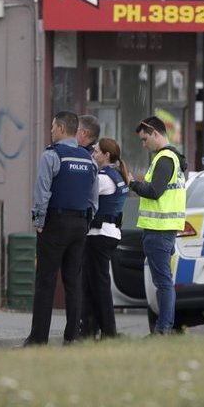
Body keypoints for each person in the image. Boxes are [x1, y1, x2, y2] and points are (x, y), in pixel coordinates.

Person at [25, 111, 98, 346]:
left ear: (62, 128)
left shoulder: (52, 155)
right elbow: (93, 198)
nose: (51, 130)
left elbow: (42, 190)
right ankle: (72, 337)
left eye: (53, 126)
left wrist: (39, 221)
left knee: (46, 281)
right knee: (73, 282)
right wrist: (86, 222)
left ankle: (38, 339)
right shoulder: (89, 160)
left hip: (55, 223)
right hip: (79, 225)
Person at [128, 116, 187, 334]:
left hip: (159, 230)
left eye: (145, 139)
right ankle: (164, 327)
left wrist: (132, 183)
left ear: (155, 133)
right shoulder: (174, 157)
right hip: (165, 229)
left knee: (163, 283)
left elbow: (154, 191)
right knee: (164, 282)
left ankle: (163, 329)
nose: (144, 145)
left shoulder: (164, 159)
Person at [81, 137, 129, 339]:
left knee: (98, 286)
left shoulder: (103, 178)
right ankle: (93, 329)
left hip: (98, 235)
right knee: (94, 284)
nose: (93, 154)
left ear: (106, 155)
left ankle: (108, 331)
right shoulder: (117, 175)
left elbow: (83, 193)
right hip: (109, 234)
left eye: (97, 152)